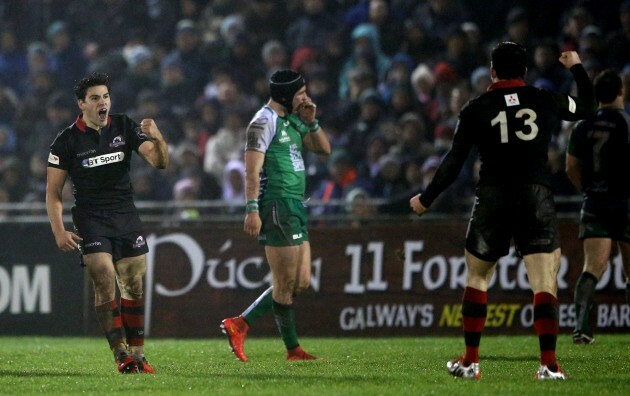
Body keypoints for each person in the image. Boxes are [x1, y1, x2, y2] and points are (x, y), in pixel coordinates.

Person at [409, 42, 595, 380]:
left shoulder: (476, 107)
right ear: (524, 71)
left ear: (493, 70)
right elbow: (587, 107)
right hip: (535, 194)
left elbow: (454, 160)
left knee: (478, 276)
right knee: (543, 282)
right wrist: (577, 68)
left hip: (493, 195)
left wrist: (427, 197)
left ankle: (470, 362)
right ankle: (549, 365)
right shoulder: (544, 98)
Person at [46, 72, 169, 374]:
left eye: (106, 97)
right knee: (103, 276)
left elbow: (160, 162)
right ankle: (120, 354)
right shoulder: (66, 141)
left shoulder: (124, 126)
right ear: (82, 104)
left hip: (125, 214)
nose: (102, 102)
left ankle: (138, 355)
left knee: (134, 283)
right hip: (91, 218)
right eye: (95, 98)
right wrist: (59, 231)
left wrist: (158, 137)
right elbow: (53, 193)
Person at [220, 69, 331, 362]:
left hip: (295, 205)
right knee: (284, 283)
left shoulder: (293, 121)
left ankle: (241, 322)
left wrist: (312, 120)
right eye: (300, 94)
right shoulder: (263, 122)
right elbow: (251, 170)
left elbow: (324, 149)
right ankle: (290, 348)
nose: (306, 97)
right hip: (276, 204)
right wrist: (252, 209)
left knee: (301, 281)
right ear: (285, 96)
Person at [565, 68, 630, 345]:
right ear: (620, 92)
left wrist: (588, 190)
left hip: (595, 202)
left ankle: (581, 328)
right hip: (625, 201)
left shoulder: (583, 124)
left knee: (592, 267)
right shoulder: (626, 123)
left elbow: (570, 167)